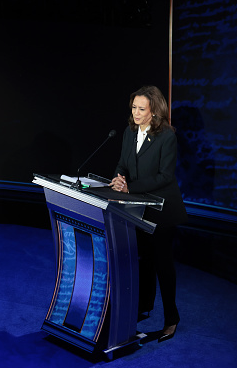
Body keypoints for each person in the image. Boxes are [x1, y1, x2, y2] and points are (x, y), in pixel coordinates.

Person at [110, 85, 187, 343]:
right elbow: (123, 164)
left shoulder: (167, 136)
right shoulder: (129, 132)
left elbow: (165, 176)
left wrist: (131, 186)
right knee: (143, 260)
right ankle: (143, 307)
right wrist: (119, 178)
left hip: (163, 210)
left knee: (163, 265)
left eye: (141, 109)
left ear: (154, 111)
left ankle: (171, 319)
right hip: (137, 208)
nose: (136, 113)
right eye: (134, 107)